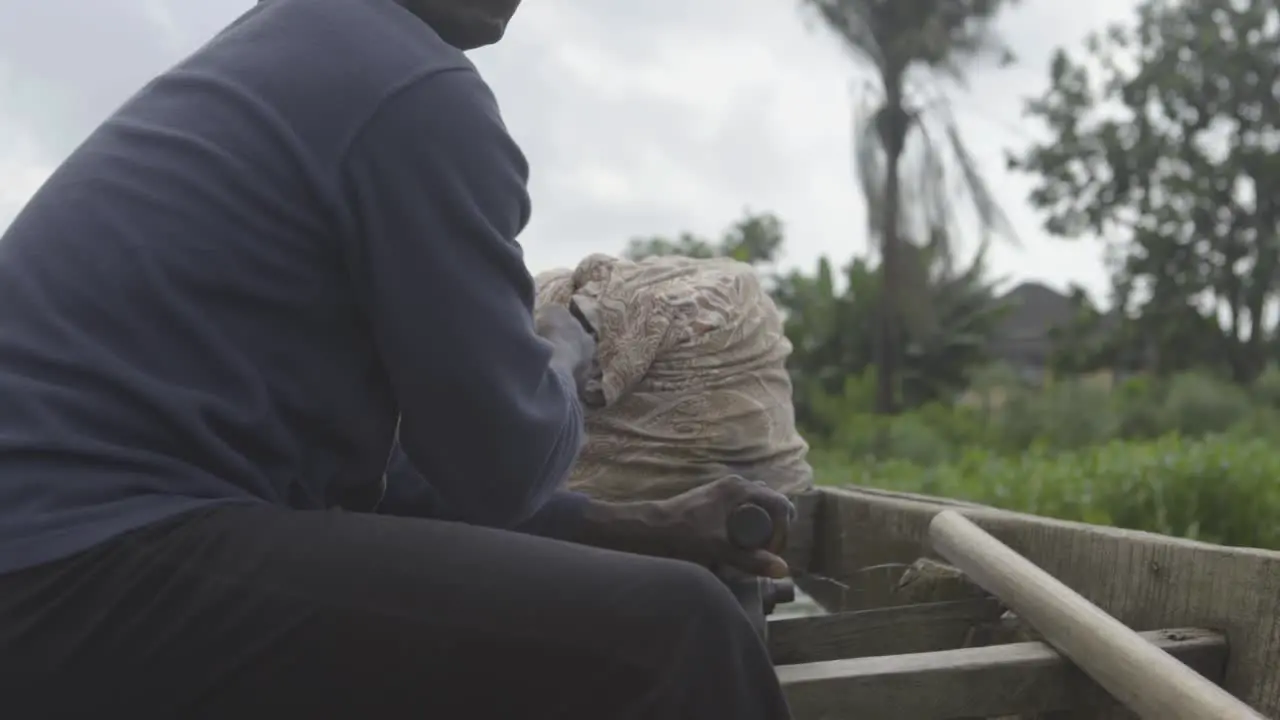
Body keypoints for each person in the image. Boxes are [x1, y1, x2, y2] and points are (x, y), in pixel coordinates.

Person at [0, 0, 800, 718]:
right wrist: (564, 341)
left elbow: (402, 479)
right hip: (78, 569)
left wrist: (643, 526)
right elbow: (503, 465)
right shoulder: (412, 87)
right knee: (680, 629)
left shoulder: (302, 45)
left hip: (63, 558)